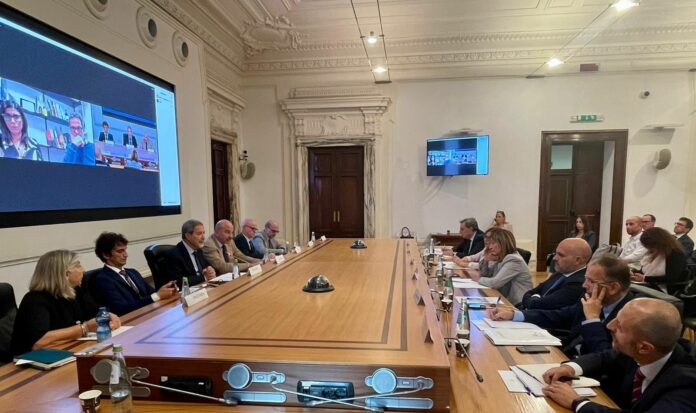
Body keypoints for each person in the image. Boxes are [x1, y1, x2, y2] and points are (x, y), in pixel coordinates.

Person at [542, 298, 696, 413]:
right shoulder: (648, 350)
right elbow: (606, 358)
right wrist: (570, 368)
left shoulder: (688, 385)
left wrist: (578, 403)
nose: (610, 326)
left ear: (644, 348)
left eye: (620, 326)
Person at [490, 254, 634, 357]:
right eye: (586, 279)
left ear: (613, 288)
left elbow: (606, 357)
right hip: (567, 357)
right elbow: (559, 316)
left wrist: (593, 320)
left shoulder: (631, 316)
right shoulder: (591, 298)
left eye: (591, 282)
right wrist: (515, 314)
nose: (584, 286)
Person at [10, 250, 121, 356]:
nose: (83, 270)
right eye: (78, 265)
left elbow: (95, 313)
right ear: (65, 274)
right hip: (32, 361)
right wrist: (84, 328)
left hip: (68, 349)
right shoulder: (35, 300)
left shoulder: (75, 291)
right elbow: (39, 342)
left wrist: (108, 316)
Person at [91, 232, 177, 316]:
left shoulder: (133, 272)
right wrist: (157, 296)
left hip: (149, 313)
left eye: (125, 250)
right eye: (120, 251)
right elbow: (122, 309)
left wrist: (166, 290)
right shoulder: (103, 279)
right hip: (131, 320)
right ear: (106, 255)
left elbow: (151, 292)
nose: (126, 255)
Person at [519, 238, 590, 310]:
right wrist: (534, 298)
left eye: (561, 255)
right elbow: (530, 293)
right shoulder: (560, 273)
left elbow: (541, 305)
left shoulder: (578, 283)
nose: (554, 258)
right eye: (556, 253)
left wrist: (533, 298)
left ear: (577, 260)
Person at [466, 228, 532, 306]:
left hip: (518, 305)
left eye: (493, 243)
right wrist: (486, 260)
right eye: (489, 243)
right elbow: (486, 275)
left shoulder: (513, 259)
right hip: (503, 299)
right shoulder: (502, 257)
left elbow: (495, 283)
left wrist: (478, 279)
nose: (489, 247)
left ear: (503, 243)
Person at [160, 219, 217, 288]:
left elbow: (206, 266)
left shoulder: (198, 249)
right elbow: (179, 281)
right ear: (188, 236)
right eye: (199, 234)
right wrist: (204, 277)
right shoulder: (173, 255)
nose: (203, 237)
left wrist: (210, 270)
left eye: (203, 233)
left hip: (202, 287)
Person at [630, 227, 687, 294]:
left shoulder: (676, 254)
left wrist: (645, 278)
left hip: (663, 289)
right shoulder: (652, 253)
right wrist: (633, 274)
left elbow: (671, 278)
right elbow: (644, 271)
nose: (649, 248)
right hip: (649, 285)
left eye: (651, 245)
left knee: (633, 294)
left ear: (659, 242)